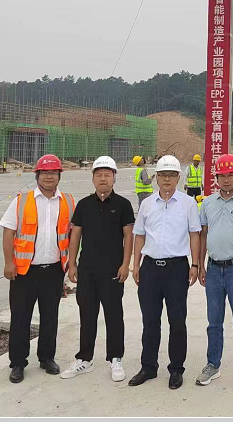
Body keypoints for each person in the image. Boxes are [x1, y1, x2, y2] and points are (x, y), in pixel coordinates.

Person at [0, 154, 77, 383]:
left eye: (53, 173)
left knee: (50, 316)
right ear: (37, 176)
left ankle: (46, 357)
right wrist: (9, 262)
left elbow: (73, 236)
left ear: (59, 175)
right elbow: (8, 232)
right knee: (20, 317)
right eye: (45, 173)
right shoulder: (21, 201)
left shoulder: (69, 202)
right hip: (24, 271)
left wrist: (71, 264)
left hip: (53, 270)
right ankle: (18, 363)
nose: (49, 176)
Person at [129, 154, 202, 389]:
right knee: (150, 321)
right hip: (150, 268)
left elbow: (194, 235)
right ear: (157, 178)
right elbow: (139, 235)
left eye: (171, 175)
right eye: (163, 175)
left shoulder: (188, 204)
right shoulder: (147, 204)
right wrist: (136, 264)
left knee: (177, 321)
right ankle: (148, 367)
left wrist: (195, 264)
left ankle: (176, 369)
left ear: (179, 178)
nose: (167, 179)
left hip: (177, 269)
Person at [61, 156, 134, 383]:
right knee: (87, 314)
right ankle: (85, 358)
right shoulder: (84, 205)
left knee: (114, 315)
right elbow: (75, 236)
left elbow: (128, 236)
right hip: (87, 270)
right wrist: (72, 264)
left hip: (113, 270)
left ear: (114, 178)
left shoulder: (123, 205)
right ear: (93, 178)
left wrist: (125, 264)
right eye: (99, 175)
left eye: (107, 174)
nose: (103, 178)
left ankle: (115, 358)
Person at [193, 153, 233, 390]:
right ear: (216, 178)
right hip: (213, 269)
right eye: (222, 175)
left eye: (231, 175)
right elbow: (202, 234)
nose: (227, 179)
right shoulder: (207, 203)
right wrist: (200, 265)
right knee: (214, 321)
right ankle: (213, 364)